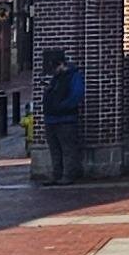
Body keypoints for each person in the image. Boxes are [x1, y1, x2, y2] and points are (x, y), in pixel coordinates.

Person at [40, 50, 83, 184]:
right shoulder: (56, 78)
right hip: (51, 119)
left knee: (67, 148)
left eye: (55, 67)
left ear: (61, 64)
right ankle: (56, 174)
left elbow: (76, 95)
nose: (53, 71)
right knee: (55, 149)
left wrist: (62, 106)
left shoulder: (73, 76)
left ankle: (68, 175)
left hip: (66, 119)